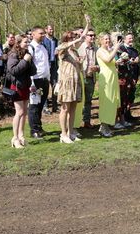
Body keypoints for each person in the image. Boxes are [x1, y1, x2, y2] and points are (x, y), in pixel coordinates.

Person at [55, 16, 90, 144]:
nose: (75, 38)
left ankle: (70, 133)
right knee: (65, 108)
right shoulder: (62, 50)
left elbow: (83, 36)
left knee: (73, 109)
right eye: (72, 37)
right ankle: (63, 134)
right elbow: (60, 48)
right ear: (67, 38)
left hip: (76, 82)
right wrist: (77, 39)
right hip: (66, 82)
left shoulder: (74, 50)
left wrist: (88, 23)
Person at [6, 35, 35, 148]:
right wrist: (24, 61)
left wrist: (30, 61)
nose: (27, 44)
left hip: (25, 86)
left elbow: (33, 72)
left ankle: (21, 135)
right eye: (25, 42)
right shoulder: (13, 55)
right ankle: (15, 138)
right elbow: (13, 71)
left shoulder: (26, 54)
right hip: (16, 87)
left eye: (28, 42)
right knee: (19, 112)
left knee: (24, 112)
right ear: (18, 43)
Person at [27, 26, 50, 139]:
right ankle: (34, 130)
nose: (43, 35)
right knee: (34, 105)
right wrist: (31, 83)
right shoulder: (31, 47)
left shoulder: (43, 46)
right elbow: (29, 66)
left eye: (44, 33)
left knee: (40, 105)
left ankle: (39, 127)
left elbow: (45, 63)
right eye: (41, 33)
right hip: (35, 81)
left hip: (44, 80)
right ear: (33, 34)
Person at [96, 32, 120, 137]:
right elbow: (108, 59)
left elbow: (112, 61)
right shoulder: (100, 51)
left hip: (113, 77)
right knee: (106, 102)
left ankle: (107, 126)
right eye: (105, 39)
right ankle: (103, 126)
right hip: (106, 78)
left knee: (112, 101)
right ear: (100, 40)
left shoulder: (108, 50)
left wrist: (118, 61)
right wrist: (116, 48)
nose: (107, 41)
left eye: (108, 39)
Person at [77, 29, 99, 128]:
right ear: (85, 36)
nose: (92, 37)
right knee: (78, 101)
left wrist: (97, 68)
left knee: (88, 101)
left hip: (91, 77)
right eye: (90, 35)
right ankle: (75, 123)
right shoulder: (80, 48)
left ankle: (86, 121)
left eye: (94, 35)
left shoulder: (95, 48)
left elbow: (100, 64)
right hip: (81, 77)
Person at [122, 33, 140, 122]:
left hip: (134, 76)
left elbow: (137, 61)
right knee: (125, 97)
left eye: (132, 38)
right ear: (124, 39)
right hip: (126, 76)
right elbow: (122, 62)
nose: (131, 40)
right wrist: (130, 61)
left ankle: (128, 114)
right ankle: (124, 116)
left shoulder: (134, 50)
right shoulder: (122, 49)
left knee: (131, 97)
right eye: (129, 38)